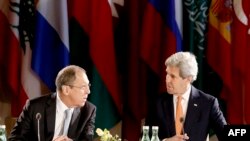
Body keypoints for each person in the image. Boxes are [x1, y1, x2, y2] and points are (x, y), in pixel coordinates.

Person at [145, 52, 227, 141]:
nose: (167, 80)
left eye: (173, 76)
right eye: (167, 74)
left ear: (188, 78)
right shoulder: (157, 103)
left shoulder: (208, 103)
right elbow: (146, 138)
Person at [9, 65, 96, 141]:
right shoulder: (35, 107)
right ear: (66, 90)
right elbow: (15, 139)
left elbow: (87, 139)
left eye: (88, 86)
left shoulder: (88, 111)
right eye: (83, 87)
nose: (88, 91)